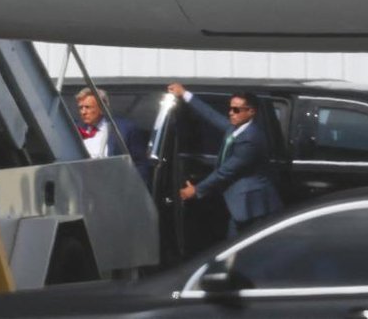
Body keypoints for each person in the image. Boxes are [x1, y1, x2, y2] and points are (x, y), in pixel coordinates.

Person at [169, 83, 282, 237]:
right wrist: (185, 94)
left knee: (241, 250)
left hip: (253, 207)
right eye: (230, 108)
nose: (231, 113)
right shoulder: (235, 128)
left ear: (251, 111)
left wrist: (196, 189)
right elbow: (210, 115)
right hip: (241, 204)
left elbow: (226, 171)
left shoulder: (251, 138)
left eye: (236, 110)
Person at [74, 87, 151, 183]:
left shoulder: (124, 129)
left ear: (102, 108)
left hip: (113, 189)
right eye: (80, 107)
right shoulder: (75, 130)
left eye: (88, 107)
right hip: (82, 189)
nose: (83, 112)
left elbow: (139, 165)